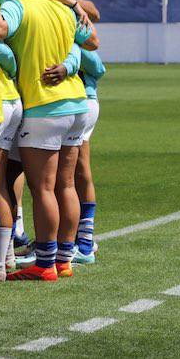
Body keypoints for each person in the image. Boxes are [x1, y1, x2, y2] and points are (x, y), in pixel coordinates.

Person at [0, 0, 98, 281]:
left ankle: (45, 263)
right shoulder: (64, 7)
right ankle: (64, 259)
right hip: (76, 102)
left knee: (42, 189)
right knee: (66, 184)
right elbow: (91, 41)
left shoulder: (18, 5)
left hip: (44, 107)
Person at [73, 48, 106, 264]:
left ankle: (82, 243)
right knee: (75, 172)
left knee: (74, 172)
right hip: (77, 100)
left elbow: (97, 66)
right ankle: (81, 240)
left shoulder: (74, 25)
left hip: (80, 99)